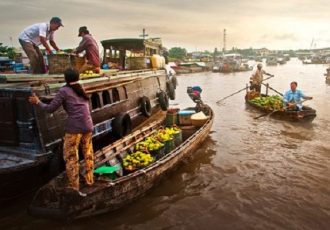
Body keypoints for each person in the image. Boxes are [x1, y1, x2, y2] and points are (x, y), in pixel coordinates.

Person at [29, 68, 94, 195]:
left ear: (65, 78)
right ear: (78, 77)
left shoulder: (64, 90)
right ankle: (89, 180)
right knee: (88, 153)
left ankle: (74, 187)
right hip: (88, 125)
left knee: (71, 157)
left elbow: (51, 109)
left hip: (74, 128)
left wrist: (38, 102)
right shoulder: (81, 87)